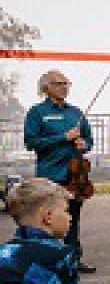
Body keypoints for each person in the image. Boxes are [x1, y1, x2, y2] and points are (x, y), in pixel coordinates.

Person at [24, 70, 96, 273]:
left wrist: (84, 144)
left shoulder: (76, 112)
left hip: (76, 176)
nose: (64, 87)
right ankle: (48, 261)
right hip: (51, 175)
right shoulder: (37, 112)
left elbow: (89, 139)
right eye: (59, 83)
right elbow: (31, 142)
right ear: (46, 87)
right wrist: (63, 137)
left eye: (66, 83)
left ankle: (73, 259)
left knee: (72, 219)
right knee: (49, 220)